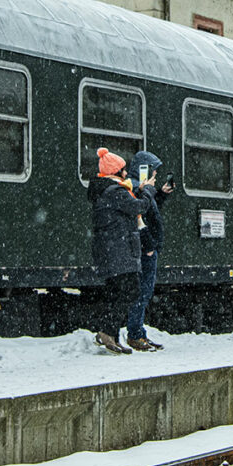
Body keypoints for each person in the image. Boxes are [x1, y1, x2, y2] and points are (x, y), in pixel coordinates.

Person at [87, 147, 147, 354]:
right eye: (124, 169)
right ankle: (107, 331)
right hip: (119, 251)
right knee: (131, 290)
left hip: (111, 250)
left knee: (116, 293)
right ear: (117, 172)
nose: (126, 173)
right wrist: (148, 191)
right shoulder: (116, 192)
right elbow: (139, 207)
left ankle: (110, 333)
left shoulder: (106, 191)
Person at [126, 150, 174, 351]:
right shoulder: (138, 189)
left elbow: (148, 213)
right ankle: (135, 335)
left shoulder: (140, 188)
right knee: (142, 293)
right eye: (152, 171)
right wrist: (149, 248)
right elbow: (139, 220)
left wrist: (160, 195)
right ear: (143, 170)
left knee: (143, 293)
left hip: (148, 248)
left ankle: (138, 333)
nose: (155, 174)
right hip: (146, 250)